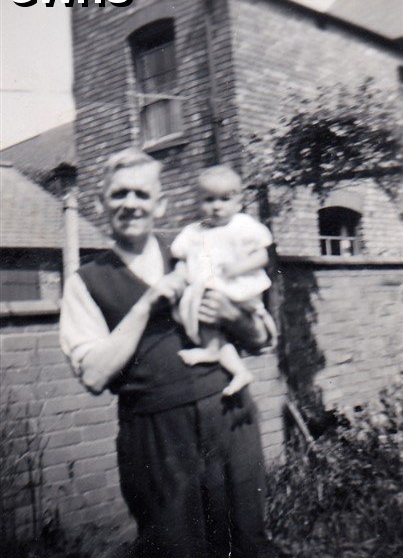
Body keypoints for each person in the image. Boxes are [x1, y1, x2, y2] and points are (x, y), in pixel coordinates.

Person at [60, 148, 271, 558]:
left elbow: (262, 338)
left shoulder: (197, 247)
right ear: (101, 203)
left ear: (161, 204)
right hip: (155, 435)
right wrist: (145, 305)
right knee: (174, 548)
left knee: (247, 543)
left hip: (228, 413)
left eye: (142, 194)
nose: (130, 204)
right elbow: (93, 376)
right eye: (119, 194)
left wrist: (233, 315)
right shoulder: (86, 282)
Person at [171, 165, 278, 396]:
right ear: (198, 202)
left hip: (242, 288)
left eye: (225, 199)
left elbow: (262, 256)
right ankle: (238, 371)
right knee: (207, 319)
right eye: (209, 199)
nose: (217, 206)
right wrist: (182, 275)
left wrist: (237, 268)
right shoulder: (194, 231)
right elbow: (179, 256)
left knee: (211, 313)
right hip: (215, 291)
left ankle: (212, 350)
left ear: (239, 202)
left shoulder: (244, 226)